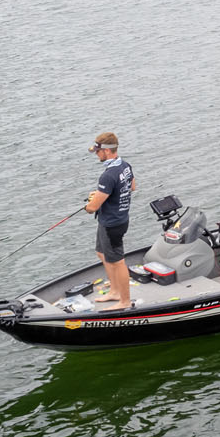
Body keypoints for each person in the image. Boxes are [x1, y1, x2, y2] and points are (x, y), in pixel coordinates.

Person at [85, 131, 135, 310]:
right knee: (101, 253)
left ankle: (125, 301)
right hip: (116, 220)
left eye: (98, 152)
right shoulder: (125, 166)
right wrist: (100, 194)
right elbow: (132, 186)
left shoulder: (108, 175)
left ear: (106, 151)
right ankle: (114, 291)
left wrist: (91, 202)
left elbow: (92, 208)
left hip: (112, 224)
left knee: (117, 261)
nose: (97, 155)